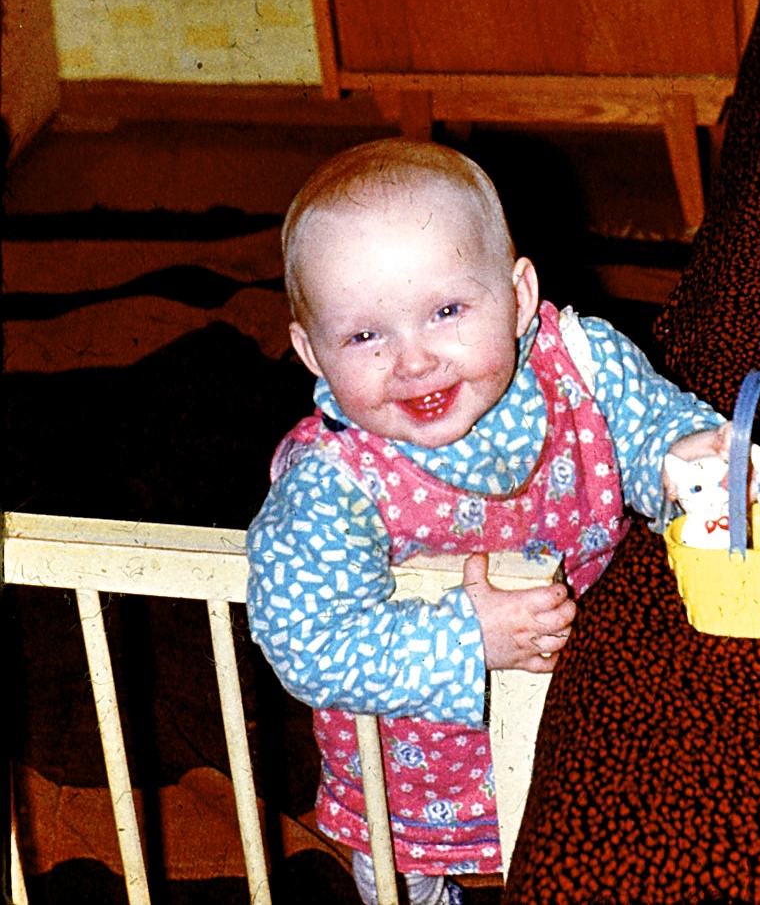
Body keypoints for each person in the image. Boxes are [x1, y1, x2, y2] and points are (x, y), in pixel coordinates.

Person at [247, 140, 731, 905]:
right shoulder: (332, 485)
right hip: (414, 768)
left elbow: (646, 427)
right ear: (310, 351)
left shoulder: (580, 363)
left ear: (518, 294)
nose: (414, 361)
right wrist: (469, 639)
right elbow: (306, 640)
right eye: (365, 336)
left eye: (446, 312)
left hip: (581, 709)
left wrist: (682, 459)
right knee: (404, 882)